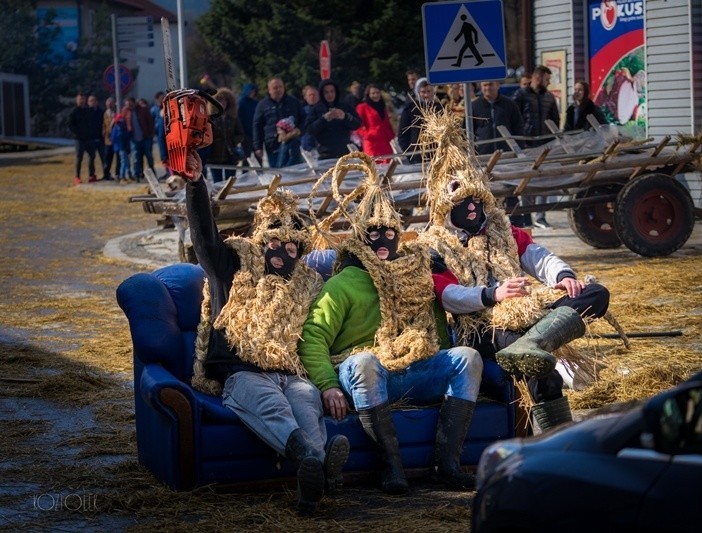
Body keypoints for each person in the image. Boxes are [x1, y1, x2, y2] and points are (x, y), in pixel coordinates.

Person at [298, 153, 483, 494]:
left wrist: (439, 351)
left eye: (388, 232)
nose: (382, 239)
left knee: (467, 358)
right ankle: (392, 467)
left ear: (399, 236)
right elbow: (313, 337)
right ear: (360, 238)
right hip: (366, 375)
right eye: (373, 233)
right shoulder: (343, 284)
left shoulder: (414, 277)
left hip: (412, 370)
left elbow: (435, 329)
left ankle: (448, 464)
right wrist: (327, 385)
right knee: (365, 362)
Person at [415, 110, 610, 432]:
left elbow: (539, 257)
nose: (474, 209)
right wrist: (494, 294)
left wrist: (564, 279)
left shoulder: (503, 230)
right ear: (449, 210)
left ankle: (533, 342)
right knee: (540, 367)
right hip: (482, 326)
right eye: (465, 204)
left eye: (477, 201)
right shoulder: (434, 245)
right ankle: (554, 435)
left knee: (596, 293)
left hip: (526, 308)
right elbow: (448, 297)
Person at [181, 149, 350, 516]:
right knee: (272, 407)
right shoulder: (233, 267)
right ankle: (315, 465)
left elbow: (323, 329)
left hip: (291, 375)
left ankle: (313, 482)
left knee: (306, 404)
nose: (281, 252)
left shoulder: (307, 284)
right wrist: (196, 187)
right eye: (275, 242)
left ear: (299, 253)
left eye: (291, 247)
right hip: (242, 374)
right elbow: (205, 240)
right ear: (263, 241)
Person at [472, 80, 527, 226]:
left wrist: (518, 150)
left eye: (490, 85)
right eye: (485, 85)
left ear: (497, 85)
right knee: (483, 194)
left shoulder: (509, 105)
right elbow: (467, 131)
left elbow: (518, 127)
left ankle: (517, 226)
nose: (488, 88)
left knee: (511, 191)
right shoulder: (475, 106)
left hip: (506, 158)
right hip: (483, 158)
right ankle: (485, 226)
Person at [513, 65, 560, 229]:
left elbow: (555, 119)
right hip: (526, 145)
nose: (549, 83)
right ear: (538, 78)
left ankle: (541, 216)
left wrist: (553, 140)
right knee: (526, 181)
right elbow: (514, 118)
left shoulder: (549, 97)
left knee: (544, 180)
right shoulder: (520, 95)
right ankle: (526, 215)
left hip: (545, 145)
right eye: (547, 79)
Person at [253, 77, 305, 168]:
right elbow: (257, 126)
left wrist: (299, 131)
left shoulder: (293, 101)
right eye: (275, 88)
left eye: (280, 87)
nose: (278, 90)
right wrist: (258, 147)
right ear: (269, 90)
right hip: (273, 145)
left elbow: (304, 119)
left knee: (296, 172)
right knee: (277, 173)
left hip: (292, 144)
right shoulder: (262, 105)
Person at [305, 79, 361, 160]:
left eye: (332, 91)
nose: (330, 94)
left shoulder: (344, 106)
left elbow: (357, 123)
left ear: (336, 92)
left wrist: (345, 117)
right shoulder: (316, 109)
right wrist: (324, 119)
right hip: (325, 155)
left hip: (345, 153)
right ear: (322, 94)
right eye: (326, 92)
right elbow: (309, 130)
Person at [397, 77, 443, 164]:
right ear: (418, 93)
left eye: (429, 91)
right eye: (423, 92)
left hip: (438, 154)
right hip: (417, 156)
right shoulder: (410, 109)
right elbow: (402, 135)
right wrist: (410, 155)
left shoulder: (439, 108)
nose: (426, 95)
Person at [206, 87, 244, 183]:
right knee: (217, 183)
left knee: (230, 182)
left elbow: (240, 134)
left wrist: (232, 141)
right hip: (214, 155)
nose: (222, 104)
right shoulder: (210, 118)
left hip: (230, 155)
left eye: (225, 101)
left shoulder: (232, 117)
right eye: (220, 101)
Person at [355, 83, 395, 161]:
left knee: (389, 167)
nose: (376, 95)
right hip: (372, 143)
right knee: (373, 168)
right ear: (368, 94)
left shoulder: (383, 106)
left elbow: (387, 123)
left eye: (377, 93)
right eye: (373, 93)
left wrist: (391, 134)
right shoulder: (362, 107)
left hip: (385, 142)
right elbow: (358, 125)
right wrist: (367, 134)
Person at [67, 93, 97, 185]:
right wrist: (76, 133)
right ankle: (77, 177)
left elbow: (92, 123)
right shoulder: (73, 112)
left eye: (83, 99)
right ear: (77, 100)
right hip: (79, 139)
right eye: (80, 99)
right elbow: (69, 124)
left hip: (89, 138)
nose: (82, 101)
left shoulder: (88, 111)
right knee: (79, 158)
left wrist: (91, 133)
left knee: (92, 156)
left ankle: (91, 176)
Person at [127, 97, 156, 182]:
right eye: (128, 104)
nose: (130, 106)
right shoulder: (126, 112)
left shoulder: (143, 109)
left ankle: (153, 174)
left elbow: (150, 122)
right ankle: (137, 175)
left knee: (149, 156)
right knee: (136, 158)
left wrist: (151, 134)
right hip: (134, 139)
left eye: (131, 104)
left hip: (145, 137)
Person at [237, 83, 259, 159]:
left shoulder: (256, 103)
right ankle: (245, 171)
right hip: (245, 135)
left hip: (256, 135)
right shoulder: (241, 102)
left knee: (258, 156)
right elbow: (239, 119)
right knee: (246, 158)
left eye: (253, 91)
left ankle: (259, 171)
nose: (252, 93)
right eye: (250, 91)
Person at [110, 113, 132, 183]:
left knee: (127, 162)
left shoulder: (123, 128)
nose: (121, 122)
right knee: (123, 162)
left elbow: (127, 138)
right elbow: (113, 139)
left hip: (125, 148)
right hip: (120, 148)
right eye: (120, 120)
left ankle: (128, 175)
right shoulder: (116, 129)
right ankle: (122, 176)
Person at [151, 92, 168, 175]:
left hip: (167, 132)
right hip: (159, 133)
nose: (163, 99)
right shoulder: (154, 109)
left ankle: (170, 172)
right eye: (161, 98)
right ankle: (167, 171)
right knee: (163, 153)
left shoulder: (167, 107)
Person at [101, 97, 118, 180]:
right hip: (108, 139)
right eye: (108, 104)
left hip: (117, 138)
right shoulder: (105, 113)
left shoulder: (117, 112)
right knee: (108, 157)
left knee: (118, 157)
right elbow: (103, 125)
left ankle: (117, 173)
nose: (109, 105)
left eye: (111, 103)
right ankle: (106, 174)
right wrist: (104, 133)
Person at [300, 85, 320, 154]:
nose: (312, 97)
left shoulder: (324, 110)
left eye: (314, 95)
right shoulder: (302, 111)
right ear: (305, 97)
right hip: (306, 147)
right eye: (310, 95)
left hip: (320, 146)